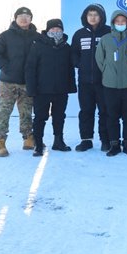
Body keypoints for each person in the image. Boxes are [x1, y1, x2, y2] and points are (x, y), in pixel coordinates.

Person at [0, 7, 38, 157]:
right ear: (15, 18)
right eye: (21, 16)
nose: (24, 18)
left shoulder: (37, 37)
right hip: (8, 83)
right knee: (3, 113)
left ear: (31, 19)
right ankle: (0, 142)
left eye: (27, 16)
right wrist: (8, 69)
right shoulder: (5, 36)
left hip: (27, 83)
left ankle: (28, 139)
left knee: (26, 113)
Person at [25, 19, 77, 156]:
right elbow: (30, 69)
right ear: (47, 30)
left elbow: (70, 69)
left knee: (59, 116)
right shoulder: (37, 46)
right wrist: (31, 89)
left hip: (61, 89)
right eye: (52, 29)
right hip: (41, 90)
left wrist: (71, 87)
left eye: (58, 29)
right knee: (40, 117)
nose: (55, 31)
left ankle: (58, 141)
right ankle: (38, 144)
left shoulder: (66, 47)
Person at [95, 10, 127, 156]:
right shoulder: (105, 39)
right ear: (113, 23)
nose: (120, 24)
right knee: (111, 116)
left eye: (123, 21)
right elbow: (100, 60)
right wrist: (108, 72)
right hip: (110, 85)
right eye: (117, 21)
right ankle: (114, 144)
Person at [71, 4, 112, 152]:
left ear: (101, 17)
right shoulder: (79, 34)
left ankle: (105, 140)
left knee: (105, 111)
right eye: (90, 15)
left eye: (96, 15)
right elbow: (73, 52)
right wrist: (79, 63)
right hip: (85, 81)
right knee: (86, 111)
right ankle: (86, 140)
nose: (93, 17)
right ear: (86, 17)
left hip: (104, 81)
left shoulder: (109, 32)